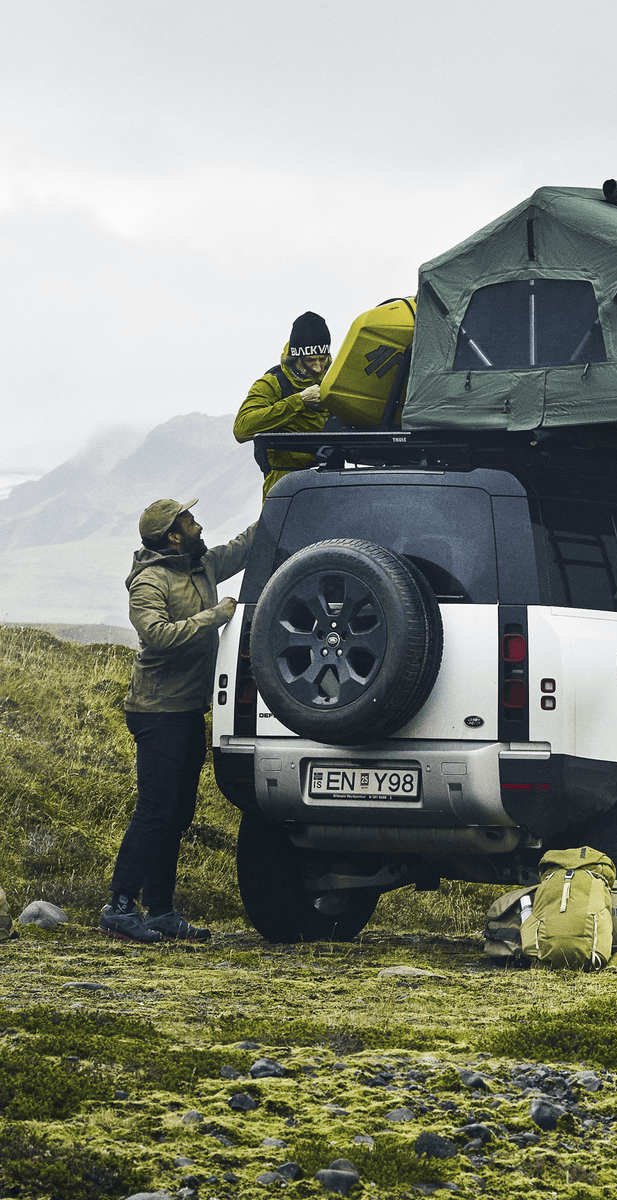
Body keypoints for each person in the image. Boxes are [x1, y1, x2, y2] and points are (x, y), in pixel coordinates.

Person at [100, 498, 257, 943]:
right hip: (156, 711)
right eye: (190, 521)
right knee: (154, 811)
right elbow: (158, 635)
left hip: (188, 709)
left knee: (176, 814)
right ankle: (119, 907)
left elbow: (244, 546)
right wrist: (215, 616)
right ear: (173, 535)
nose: (198, 525)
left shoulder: (202, 564)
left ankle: (160, 910)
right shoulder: (149, 581)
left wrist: (282, 492)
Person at [234, 311, 334, 499]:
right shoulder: (272, 384)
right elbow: (241, 429)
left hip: (330, 480)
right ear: (296, 358)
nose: (318, 367)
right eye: (311, 360)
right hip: (284, 484)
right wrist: (299, 401)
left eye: (323, 359)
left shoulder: (333, 379)